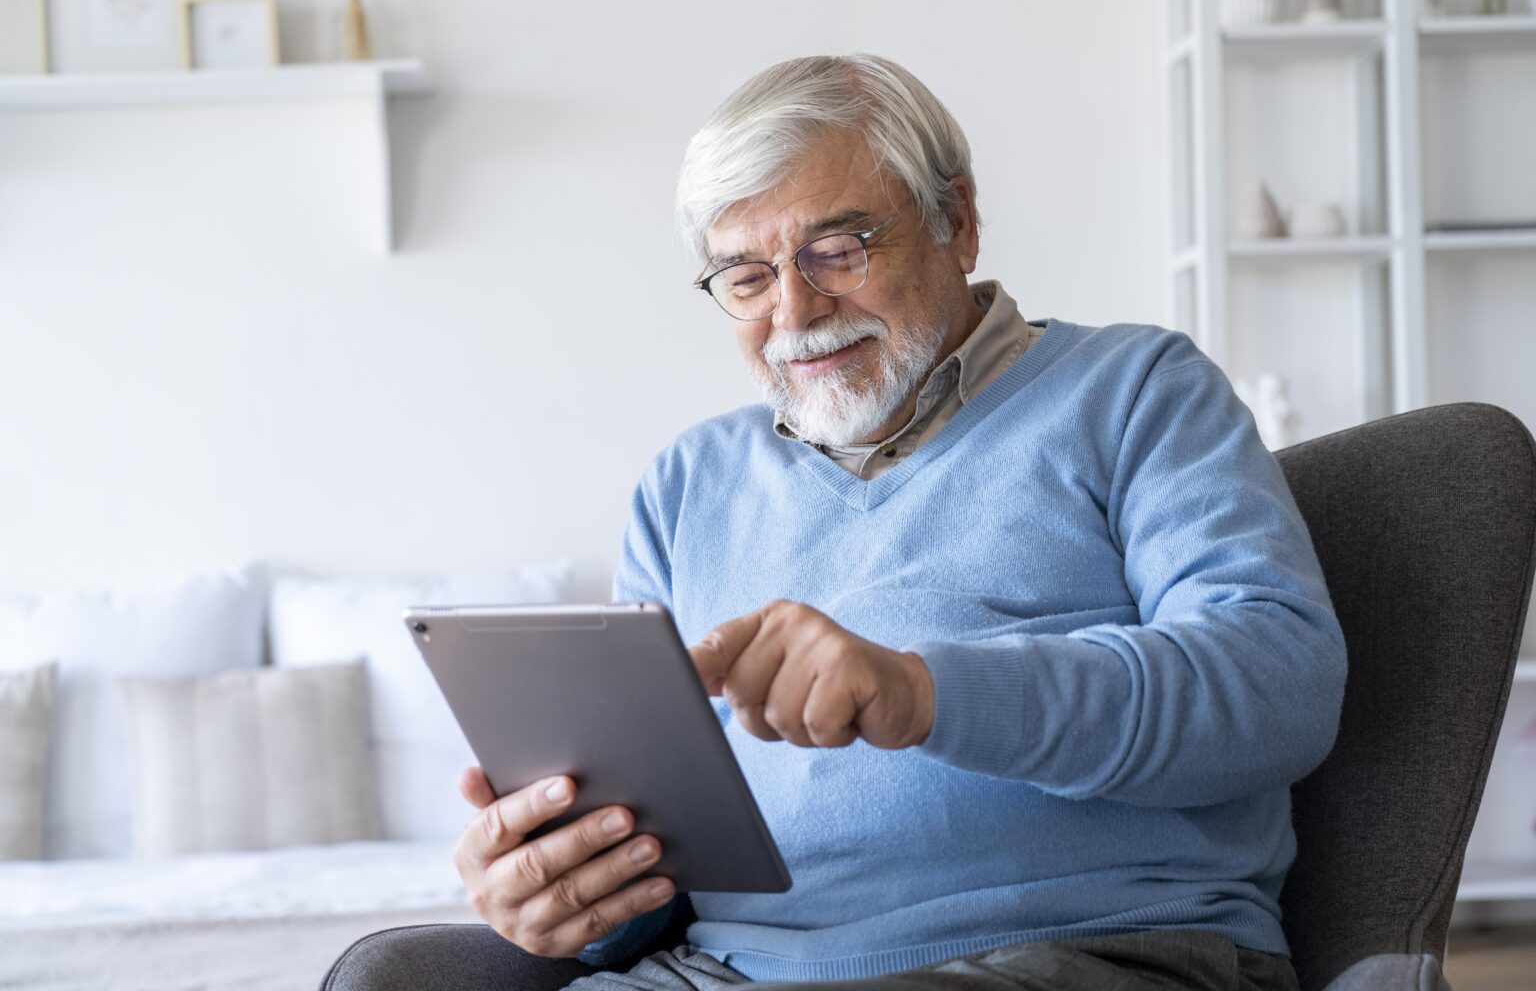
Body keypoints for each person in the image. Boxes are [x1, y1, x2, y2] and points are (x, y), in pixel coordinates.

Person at [323, 54, 1346, 991]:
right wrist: (576, 897)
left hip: (1080, 947)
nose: (795, 314)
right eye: (748, 275)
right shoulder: (688, 483)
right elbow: (663, 883)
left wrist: (924, 691)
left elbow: (1277, 686)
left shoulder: (1136, 391)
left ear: (958, 220)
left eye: (838, 249)